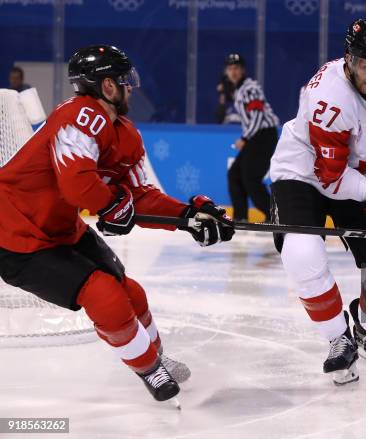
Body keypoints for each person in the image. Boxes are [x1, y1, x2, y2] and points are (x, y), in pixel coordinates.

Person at [0, 45, 235, 403]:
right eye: (125, 80)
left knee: (130, 291)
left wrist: (187, 216)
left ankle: (154, 357)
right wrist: (111, 206)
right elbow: (78, 183)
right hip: (17, 235)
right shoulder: (79, 115)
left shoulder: (124, 132)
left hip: (61, 229)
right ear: (107, 86)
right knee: (104, 295)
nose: (132, 87)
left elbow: (141, 195)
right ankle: (148, 367)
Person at [269, 19, 366, 384]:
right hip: (304, 171)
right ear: (348, 58)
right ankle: (340, 339)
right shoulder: (330, 100)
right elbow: (330, 178)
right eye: (365, 65)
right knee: (302, 253)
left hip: (349, 168)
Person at [225, 53, 279, 222]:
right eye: (230, 69)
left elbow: (257, 116)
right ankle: (240, 217)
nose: (233, 72)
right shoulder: (240, 90)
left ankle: (273, 215)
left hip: (263, 136)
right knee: (235, 174)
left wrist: (245, 138)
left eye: (236, 68)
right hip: (257, 136)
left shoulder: (250, 88)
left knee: (251, 178)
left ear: (242, 70)